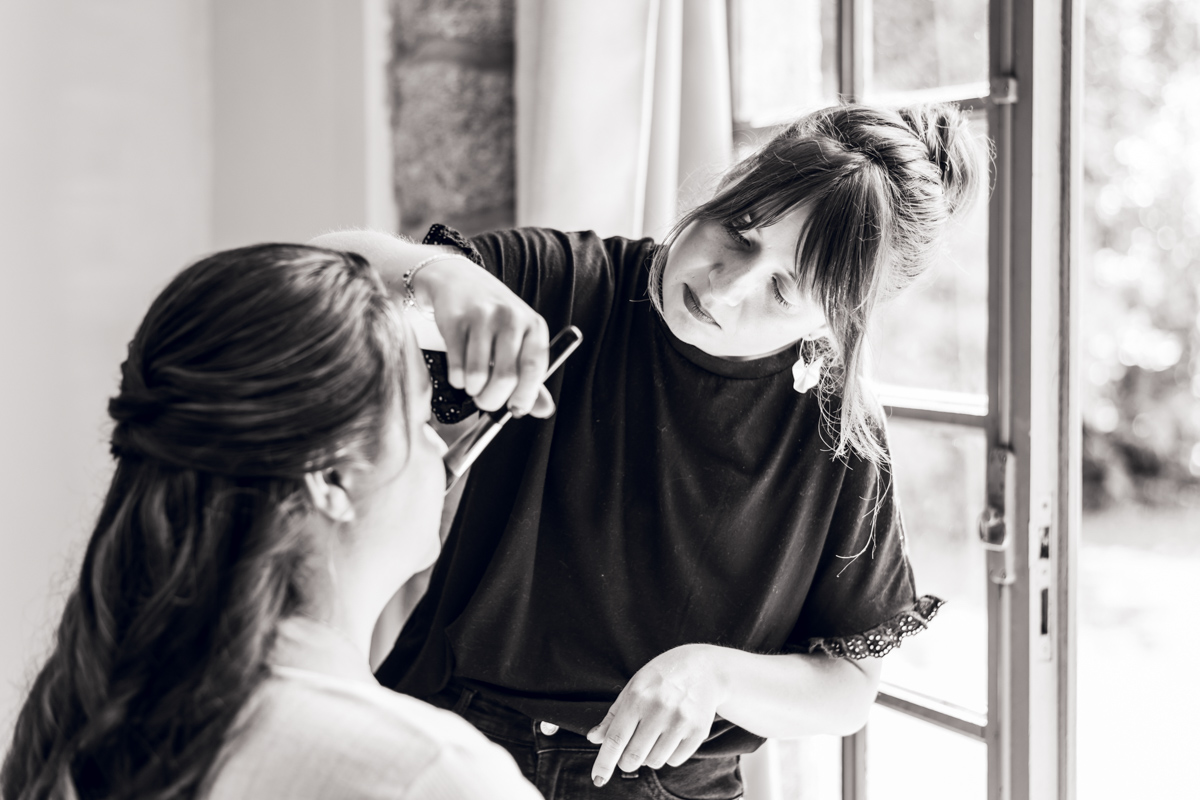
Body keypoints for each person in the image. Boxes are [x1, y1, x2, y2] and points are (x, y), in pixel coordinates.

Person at [314, 102, 984, 799]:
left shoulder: (839, 440)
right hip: (450, 743)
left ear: (840, 319)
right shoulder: (568, 283)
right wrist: (434, 275)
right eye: (741, 231)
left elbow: (847, 688)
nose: (725, 288)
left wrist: (713, 676)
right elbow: (313, 276)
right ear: (735, 182)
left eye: (784, 291)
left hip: (660, 787)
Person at [0, 245, 542, 800]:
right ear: (330, 477)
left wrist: (429, 271)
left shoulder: (83, 729)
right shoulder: (431, 773)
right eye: (422, 417)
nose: (438, 445)